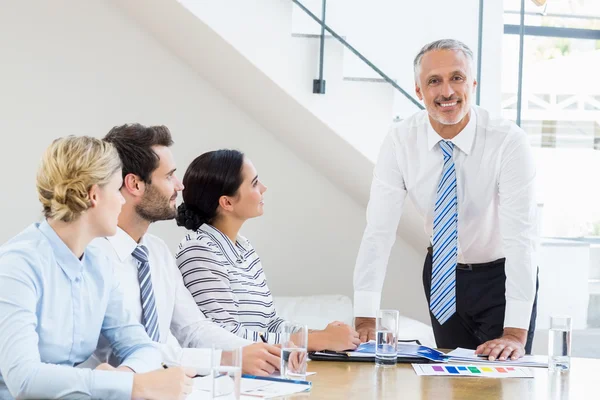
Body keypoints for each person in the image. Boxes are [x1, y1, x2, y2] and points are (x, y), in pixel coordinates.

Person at [353, 39, 539, 361]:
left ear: (473, 83)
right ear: (418, 91)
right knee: (447, 380)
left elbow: (521, 237)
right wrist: (365, 316)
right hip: (441, 276)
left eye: (457, 78)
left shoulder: (507, 141)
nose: (447, 92)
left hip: (502, 277)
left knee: (502, 381)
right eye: (434, 81)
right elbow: (378, 232)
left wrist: (514, 333)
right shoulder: (400, 141)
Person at [0, 136, 194, 399]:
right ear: (94, 195)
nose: (123, 201)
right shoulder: (16, 266)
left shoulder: (98, 262)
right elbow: (24, 380)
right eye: (117, 190)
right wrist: (132, 386)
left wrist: (122, 377)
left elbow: (143, 347)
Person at [89, 124, 281, 376]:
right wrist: (226, 359)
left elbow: (192, 329)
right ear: (135, 184)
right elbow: (135, 351)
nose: (180, 186)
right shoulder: (92, 256)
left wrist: (256, 353)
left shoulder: (156, 252)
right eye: (169, 176)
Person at [175, 149, 361, 352]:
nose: (264, 188)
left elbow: (271, 324)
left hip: (264, 367)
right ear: (227, 202)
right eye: (254, 183)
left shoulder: (244, 248)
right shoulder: (199, 251)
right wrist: (313, 341)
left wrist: (321, 335)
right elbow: (225, 335)